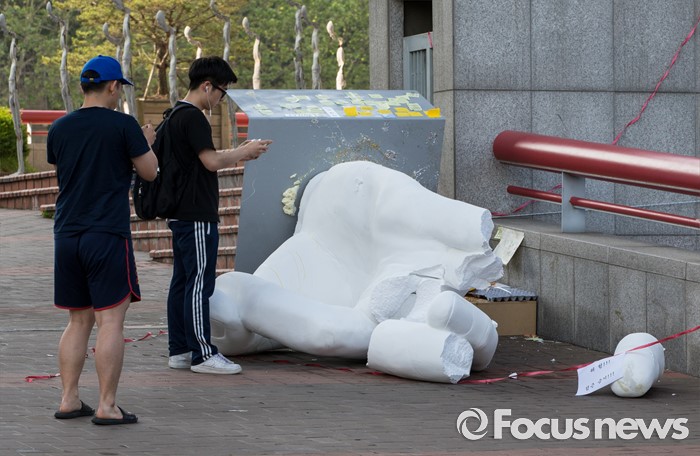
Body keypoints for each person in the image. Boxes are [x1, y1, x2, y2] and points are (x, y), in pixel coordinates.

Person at [47, 55, 158, 425]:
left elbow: (67, 167)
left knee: (77, 321)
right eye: (119, 88)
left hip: (67, 234)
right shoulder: (123, 125)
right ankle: (107, 406)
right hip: (106, 233)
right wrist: (145, 143)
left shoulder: (59, 127)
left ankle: (68, 399)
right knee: (110, 321)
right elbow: (150, 171)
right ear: (113, 86)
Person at [164, 56, 272, 374]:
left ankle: (181, 350)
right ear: (207, 86)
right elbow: (211, 162)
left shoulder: (173, 115)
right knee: (200, 283)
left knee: (183, 282)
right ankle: (202, 353)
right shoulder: (194, 117)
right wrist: (244, 153)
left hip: (180, 212)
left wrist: (236, 151)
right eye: (222, 92)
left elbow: (200, 159)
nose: (221, 98)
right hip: (196, 213)